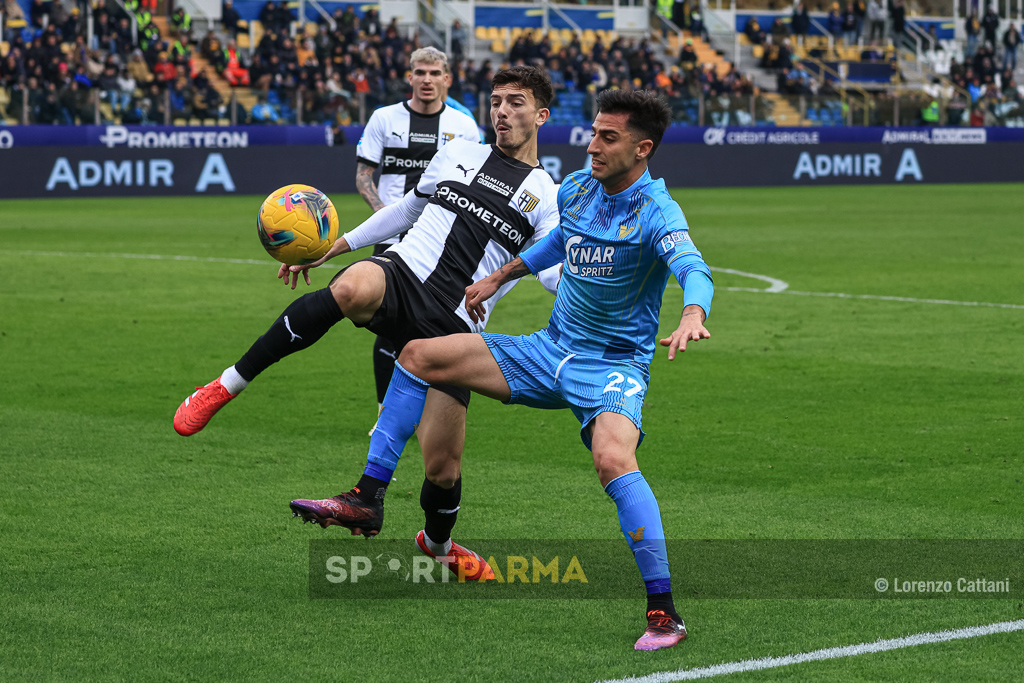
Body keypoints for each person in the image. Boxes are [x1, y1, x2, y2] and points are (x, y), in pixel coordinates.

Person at [296, 89, 713, 651]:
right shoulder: (579, 188)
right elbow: (559, 243)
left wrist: (692, 312)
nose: (592, 145)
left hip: (611, 366)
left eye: (607, 138)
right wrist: (499, 276)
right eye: (592, 132)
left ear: (643, 149)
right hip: (546, 350)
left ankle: (663, 614)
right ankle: (367, 494)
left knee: (614, 460)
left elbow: (692, 266)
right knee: (420, 353)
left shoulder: (657, 210)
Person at [174, 65, 562, 570]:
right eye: (496, 101)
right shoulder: (460, 151)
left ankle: (437, 548)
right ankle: (225, 385)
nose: (502, 112)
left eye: (516, 102)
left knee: (442, 466)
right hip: (403, 271)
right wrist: (333, 249)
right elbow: (405, 212)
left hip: (456, 321)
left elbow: (554, 272)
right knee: (353, 285)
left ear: (542, 115)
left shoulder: (548, 195)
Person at [352, 47, 481, 431]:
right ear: (409, 77)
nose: (427, 79)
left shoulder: (464, 126)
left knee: (435, 324)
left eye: (435, 73)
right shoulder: (384, 118)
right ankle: (384, 410)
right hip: (393, 234)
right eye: (420, 72)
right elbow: (363, 176)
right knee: (389, 323)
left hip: (442, 237)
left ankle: (423, 408)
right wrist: (383, 216)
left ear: (447, 79)